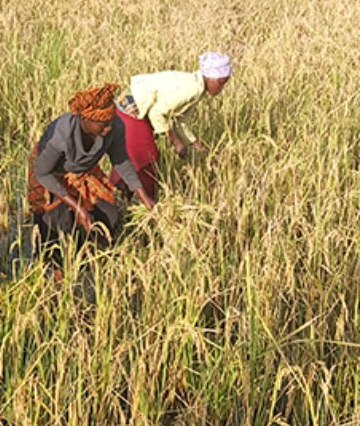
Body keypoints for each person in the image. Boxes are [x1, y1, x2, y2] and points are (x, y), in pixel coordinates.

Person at [28, 83, 157, 271]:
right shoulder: (60, 134)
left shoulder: (114, 127)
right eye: (103, 124)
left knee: (109, 216)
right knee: (56, 223)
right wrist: (77, 206)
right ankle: (54, 269)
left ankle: (87, 258)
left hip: (83, 172)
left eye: (111, 122)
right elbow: (43, 173)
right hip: (50, 174)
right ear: (85, 119)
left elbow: (120, 160)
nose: (108, 129)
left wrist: (143, 194)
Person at [110, 51, 233, 200]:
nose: (221, 89)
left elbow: (180, 121)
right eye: (220, 83)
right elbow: (156, 113)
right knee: (147, 157)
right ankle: (145, 201)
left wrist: (195, 144)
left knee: (136, 156)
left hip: (133, 110)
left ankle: (122, 196)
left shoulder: (198, 88)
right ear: (210, 76)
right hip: (130, 111)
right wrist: (176, 142)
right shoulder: (192, 89)